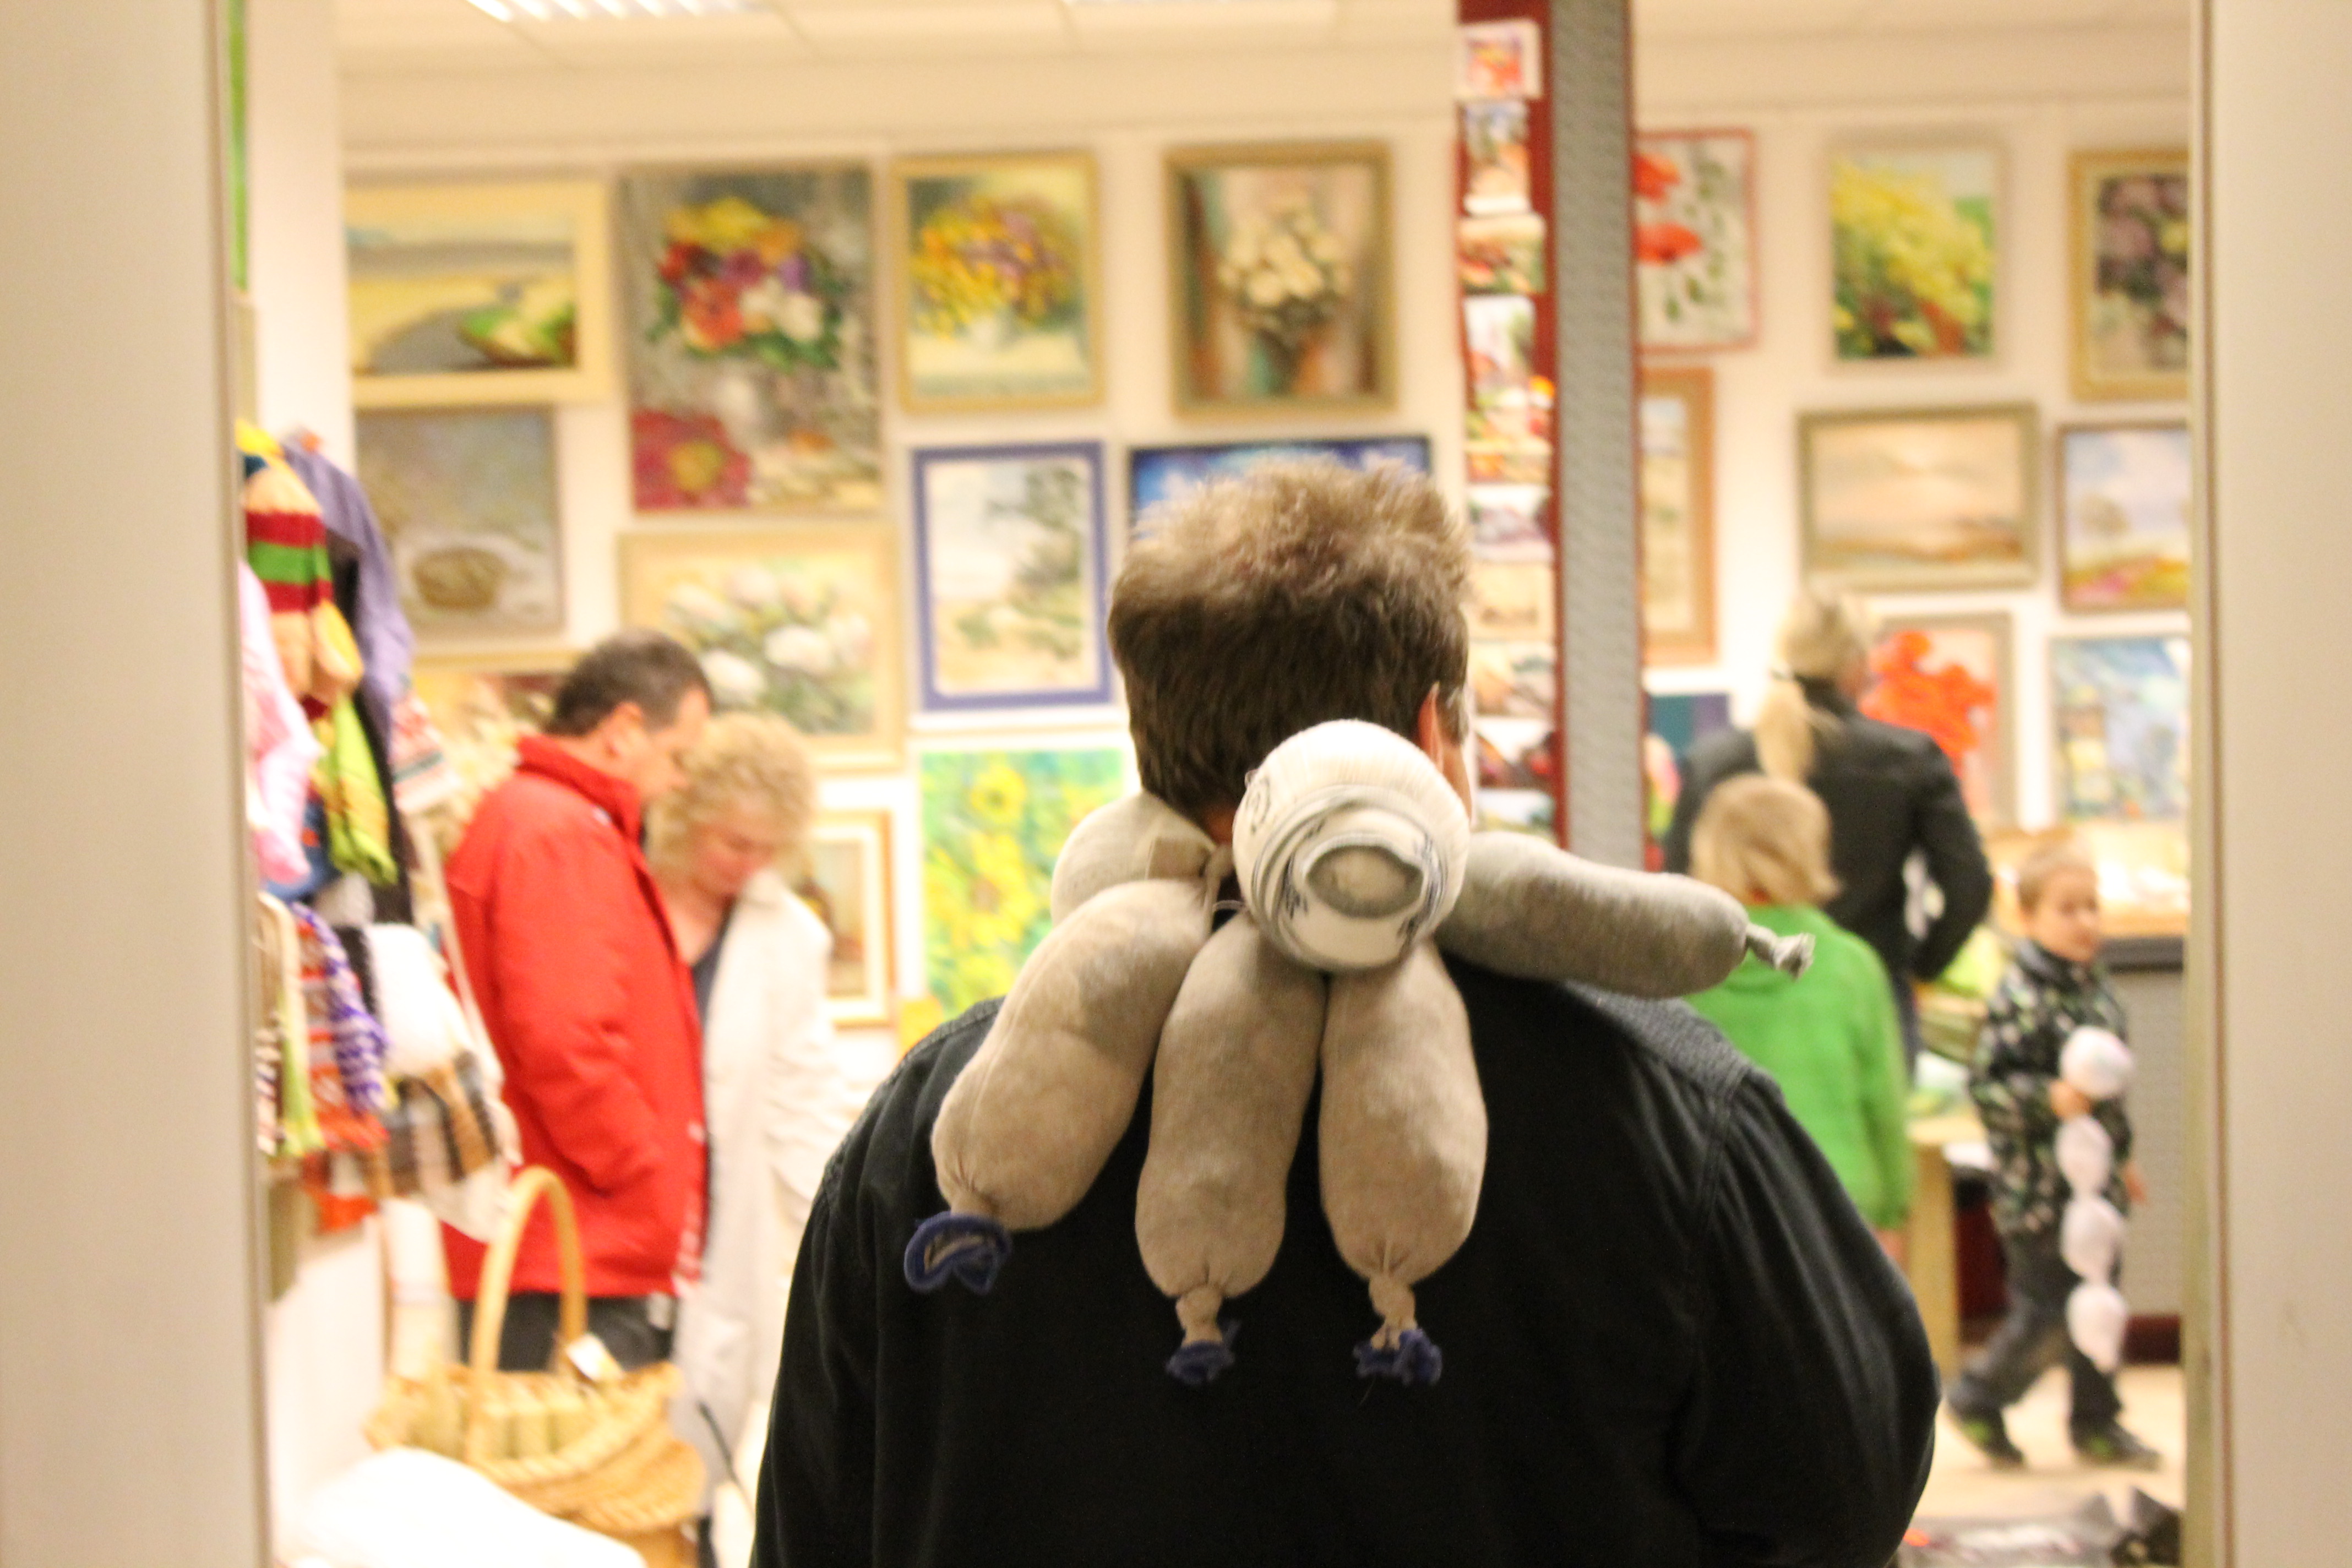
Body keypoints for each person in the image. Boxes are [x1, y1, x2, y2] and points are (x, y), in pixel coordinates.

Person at [756, 464, 1936, 1568]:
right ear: (1432, 739)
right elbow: (1848, 1491)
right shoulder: (1670, 1108)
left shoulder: (930, 1140)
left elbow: (813, 1529)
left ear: (1151, 756)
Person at [443, 630, 712, 1371]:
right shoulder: (558, 831)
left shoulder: (540, 820)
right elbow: (567, 1039)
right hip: (568, 1251)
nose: (679, 782)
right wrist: (638, 1165)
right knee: (572, 1448)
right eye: (678, 757)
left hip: (561, 1243)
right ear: (624, 730)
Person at [648, 713, 867, 1500]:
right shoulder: (631, 896)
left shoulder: (789, 935)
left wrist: (839, 1229)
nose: (750, 864)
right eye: (733, 842)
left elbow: (803, 1096)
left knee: (696, 1452)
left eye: (768, 848)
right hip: (629, 1200)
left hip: (717, 1219)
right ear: (686, 816)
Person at [1664, 586, 1993, 1068]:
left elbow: (1678, 891)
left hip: (1737, 1005)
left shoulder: (1714, 763)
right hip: (1866, 996)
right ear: (1856, 664)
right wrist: (1917, 968)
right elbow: (1969, 886)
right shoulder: (1910, 761)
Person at [1947, 842, 2159, 1471]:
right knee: (2048, 1312)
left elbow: (2109, 1096)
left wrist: (2122, 1157)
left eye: (2093, 906)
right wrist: (2048, 1098)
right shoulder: (2019, 997)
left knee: (2100, 1304)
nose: (2085, 921)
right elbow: (1988, 1090)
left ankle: (2097, 1421)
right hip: (2038, 1195)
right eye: (2067, 909)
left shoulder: (2097, 990)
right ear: (2028, 916)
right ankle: (1979, 1396)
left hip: (2096, 1195)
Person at [1685, 775, 1914, 1262]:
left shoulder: (1681, 965)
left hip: (1718, 1207)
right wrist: (1894, 1215)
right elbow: (1885, 1107)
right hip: (1839, 1204)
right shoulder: (1852, 965)